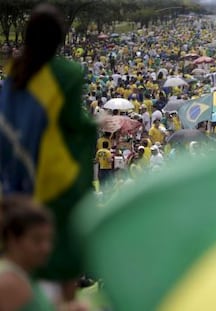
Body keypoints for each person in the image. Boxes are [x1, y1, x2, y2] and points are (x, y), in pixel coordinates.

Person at [0, 3, 96, 298]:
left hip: (17, 178)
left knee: (21, 254)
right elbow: (74, 127)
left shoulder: (13, 72)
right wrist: (97, 125)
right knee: (61, 254)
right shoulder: (67, 74)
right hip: (56, 180)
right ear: (59, 40)